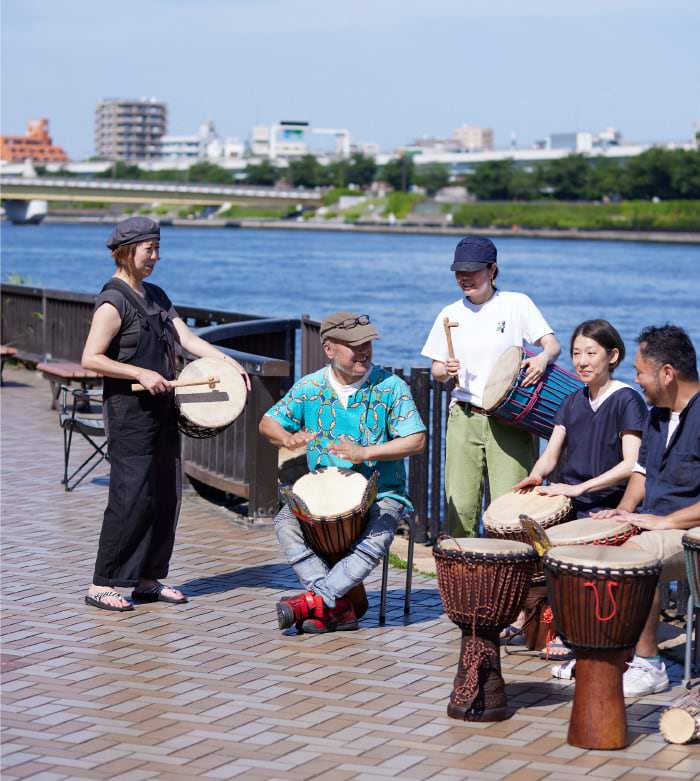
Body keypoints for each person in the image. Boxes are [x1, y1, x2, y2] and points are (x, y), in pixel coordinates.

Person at [82, 216, 249, 611]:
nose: (156, 256)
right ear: (126, 252)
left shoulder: (156, 294)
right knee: (132, 495)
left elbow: (187, 339)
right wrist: (138, 370)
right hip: (129, 412)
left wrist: (227, 362)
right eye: (148, 249)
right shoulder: (113, 301)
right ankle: (103, 583)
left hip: (163, 409)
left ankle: (148, 579)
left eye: (157, 248)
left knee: (166, 493)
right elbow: (91, 357)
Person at [553, 325, 700, 696]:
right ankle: (602, 654)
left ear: (667, 373)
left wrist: (663, 521)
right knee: (580, 548)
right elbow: (641, 474)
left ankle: (649, 665)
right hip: (656, 524)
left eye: (640, 372)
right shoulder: (657, 416)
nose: (636, 381)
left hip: (690, 531)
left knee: (634, 557)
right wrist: (622, 512)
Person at [259, 311, 426, 633]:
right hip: (321, 498)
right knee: (283, 521)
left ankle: (314, 602)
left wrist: (366, 453)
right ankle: (336, 606)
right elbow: (267, 423)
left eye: (367, 343)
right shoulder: (310, 387)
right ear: (329, 349)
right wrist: (286, 438)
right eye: (354, 345)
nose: (364, 350)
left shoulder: (391, 387)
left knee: (374, 538)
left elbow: (416, 440)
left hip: (382, 494)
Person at [421, 236, 560, 536]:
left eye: (471, 270)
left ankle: (510, 576)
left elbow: (551, 344)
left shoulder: (516, 304)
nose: (464, 278)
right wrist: (444, 369)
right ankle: (464, 576)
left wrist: (543, 359)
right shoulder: (449, 313)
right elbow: (435, 369)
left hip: (509, 416)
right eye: (459, 271)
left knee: (511, 505)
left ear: (492, 269)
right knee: (460, 504)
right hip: (464, 414)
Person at [515, 319, 648, 517]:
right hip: (570, 502)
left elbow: (632, 464)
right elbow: (550, 456)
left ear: (613, 355)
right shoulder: (572, 401)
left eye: (591, 353)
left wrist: (581, 488)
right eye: (576, 353)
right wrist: (536, 476)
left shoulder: (627, 399)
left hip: (610, 506)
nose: (582, 362)